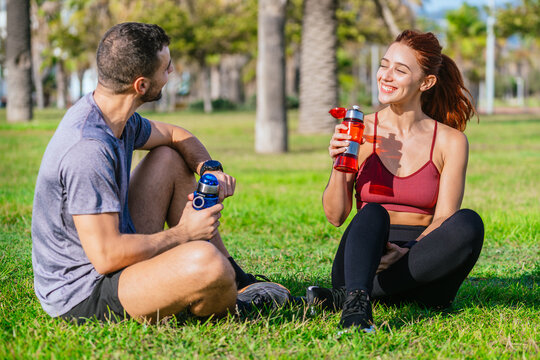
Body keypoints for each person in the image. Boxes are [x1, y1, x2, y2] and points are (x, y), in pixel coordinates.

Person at [31, 22, 287, 324]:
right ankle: (236, 303)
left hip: (113, 257)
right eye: (166, 68)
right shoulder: (87, 149)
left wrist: (209, 169)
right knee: (208, 265)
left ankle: (238, 280)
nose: (172, 72)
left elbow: (176, 135)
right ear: (141, 85)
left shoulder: (114, 117)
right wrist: (184, 234)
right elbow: (107, 257)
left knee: (169, 157)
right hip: (84, 292)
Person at [306, 30, 484, 333]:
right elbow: (336, 216)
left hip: (424, 259)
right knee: (373, 211)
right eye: (384, 64)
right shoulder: (358, 129)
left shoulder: (450, 141)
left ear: (426, 82)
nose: (386, 76)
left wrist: (409, 251)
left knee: (469, 223)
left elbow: (443, 217)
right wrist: (339, 163)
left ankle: (344, 297)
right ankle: (356, 308)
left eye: (400, 70)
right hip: (365, 258)